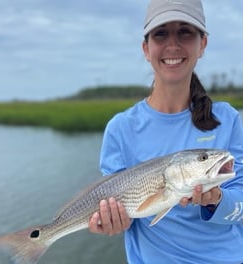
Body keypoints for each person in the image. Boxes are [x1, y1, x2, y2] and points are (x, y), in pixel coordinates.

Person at [89, 0, 243, 263]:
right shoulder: (120, 128)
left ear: (202, 44)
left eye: (185, 31)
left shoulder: (228, 120)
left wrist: (216, 198)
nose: (173, 45)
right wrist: (112, 221)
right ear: (146, 48)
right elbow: (121, 210)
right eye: (161, 33)